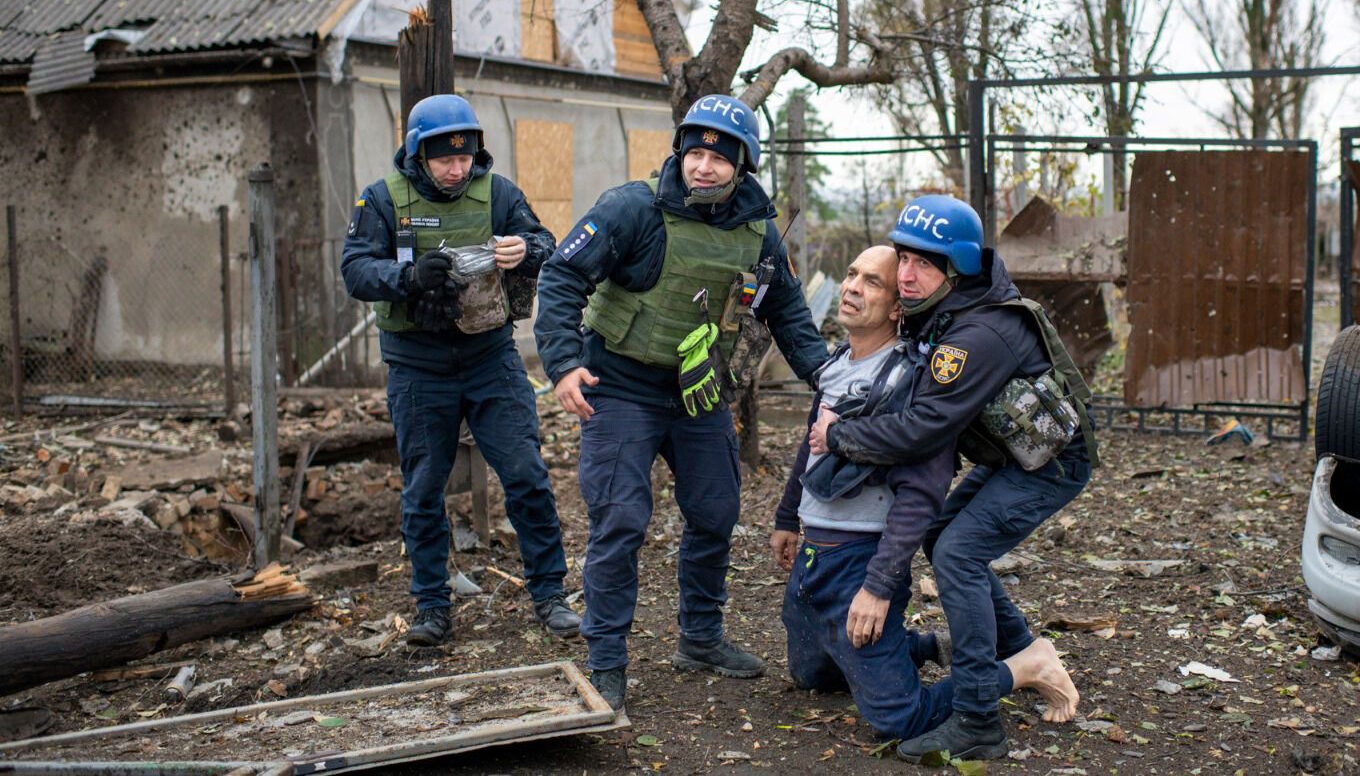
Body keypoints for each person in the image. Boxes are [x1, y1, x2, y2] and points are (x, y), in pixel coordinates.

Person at [535, 92, 830, 714]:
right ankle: (606, 662)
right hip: (618, 385)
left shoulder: (757, 233)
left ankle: (699, 638)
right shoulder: (631, 208)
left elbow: (790, 316)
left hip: (698, 393)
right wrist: (564, 365)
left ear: (742, 166)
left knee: (717, 512)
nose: (703, 166)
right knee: (620, 521)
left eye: (719, 158)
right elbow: (562, 277)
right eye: (695, 152)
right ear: (681, 153)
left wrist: (831, 381)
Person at [811, 194, 1098, 761]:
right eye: (904, 259)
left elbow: (923, 429)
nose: (907, 275)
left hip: (1051, 465)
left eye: (925, 263)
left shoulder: (976, 335)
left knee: (957, 554)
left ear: (958, 268)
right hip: (1015, 457)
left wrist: (839, 436)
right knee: (942, 536)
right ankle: (1027, 654)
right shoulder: (946, 309)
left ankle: (977, 719)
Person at [340, 93, 576, 647]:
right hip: (417, 366)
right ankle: (431, 605)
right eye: (445, 158)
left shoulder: (497, 193)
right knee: (424, 488)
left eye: (465, 156)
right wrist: (410, 278)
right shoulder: (381, 199)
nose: (456, 167)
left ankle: (549, 594)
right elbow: (355, 270)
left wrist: (526, 248)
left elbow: (547, 241)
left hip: (490, 358)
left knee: (525, 474)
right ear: (419, 153)